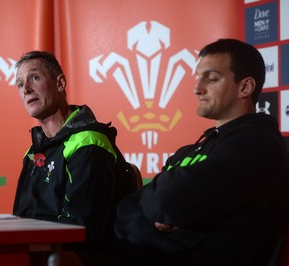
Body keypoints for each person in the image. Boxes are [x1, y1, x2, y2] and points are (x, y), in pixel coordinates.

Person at [112, 39, 289, 266]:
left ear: (244, 87)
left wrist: (159, 209)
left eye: (212, 78)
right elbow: (126, 208)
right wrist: (156, 215)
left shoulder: (258, 145)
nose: (197, 88)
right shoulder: (193, 148)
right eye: (197, 77)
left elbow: (166, 200)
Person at [12, 51, 137, 252]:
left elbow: (79, 230)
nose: (26, 89)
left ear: (60, 83)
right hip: (33, 251)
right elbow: (20, 216)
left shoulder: (88, 143)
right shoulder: (34, 151)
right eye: (19, 84)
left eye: (34, 78)